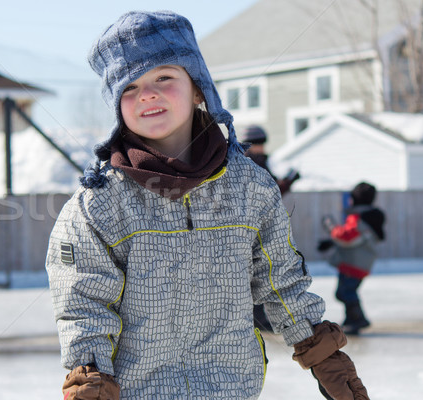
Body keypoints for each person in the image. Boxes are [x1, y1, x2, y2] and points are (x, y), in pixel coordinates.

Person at [46, 11, 369, 400]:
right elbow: (84, 306)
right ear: (116, 104)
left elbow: (279, 279)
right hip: (138, 391)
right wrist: (91, 380)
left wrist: (323, 355)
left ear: (198, 88)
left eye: (163, 77)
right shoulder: (98, 204)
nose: (147, 93)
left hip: (231, 386)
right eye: (128, 87)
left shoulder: (250, 186)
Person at [241, 124, 300, 332]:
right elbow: (267, 192)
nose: (261, 148)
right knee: (254, 273)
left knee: (261, 273)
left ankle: (259, 317)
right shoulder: (247, 162)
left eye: (262, 143)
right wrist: (284, 184)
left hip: (261, 224)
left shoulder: (259, 162)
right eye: (257, 144)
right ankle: (256, 318)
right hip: (249, 226)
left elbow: (271, 193)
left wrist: (287, 183)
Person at [318, 182, 386, 335]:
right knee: (346, 291)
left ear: (355, 199)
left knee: (345, 292)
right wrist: (331, 243)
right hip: (360, 262)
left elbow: (347, 237)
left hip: (353, 263)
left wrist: (330, 227)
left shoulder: (358, 217)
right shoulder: (368, 217)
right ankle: (351, 319)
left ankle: (358, 319)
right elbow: (357, 238)